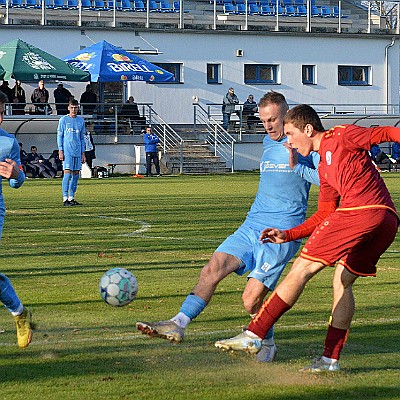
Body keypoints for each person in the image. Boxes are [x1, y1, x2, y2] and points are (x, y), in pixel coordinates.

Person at [136, 92, 320, 363]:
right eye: (263, 120)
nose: (268, 126)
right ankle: (178, 323)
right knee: (213, 268)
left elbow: (324, 178)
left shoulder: (303, 146)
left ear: (286, 117)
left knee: (250, 301)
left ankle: (266, 341)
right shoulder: (266, 143)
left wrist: (297, 163)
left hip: (281, 233)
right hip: (252, 225)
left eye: (273, 120)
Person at [215, 104, 399, 372]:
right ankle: (329, 360)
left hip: (360, 212)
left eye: (290, 134)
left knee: (302, 268)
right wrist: (288, 234)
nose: (288, 141)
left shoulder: (342, 135)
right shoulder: (323, 169)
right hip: (386, 220)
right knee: (342, 281)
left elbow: (384, 132)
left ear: (308, 129)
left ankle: (254, 334)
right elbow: (324, 214)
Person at [0, 91, 33, 349]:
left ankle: (19, 315)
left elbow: (16, 182)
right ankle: (20, 312)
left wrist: (15, 174)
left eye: (2, 113)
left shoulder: (7, 143)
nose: (0, 118)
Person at [57, 99, 86, 206]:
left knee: (76, 175)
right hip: (67, 151)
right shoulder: (63, 120)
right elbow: (60, 136)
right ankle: (65, 198)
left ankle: (71, 197)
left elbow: (82, 138)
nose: (74, 110)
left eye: (76, 108)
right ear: (68, 108)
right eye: (72, 108)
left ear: (78, 108)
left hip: (77, 151)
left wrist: (83, 153)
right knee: (67, 174)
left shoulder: (81, 121)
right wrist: (61, 150)